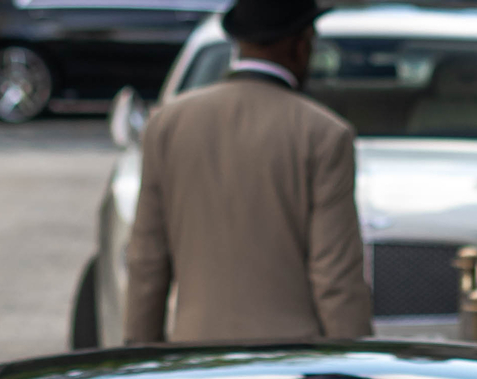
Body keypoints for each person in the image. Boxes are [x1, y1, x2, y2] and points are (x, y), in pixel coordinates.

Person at [120, 0, 370, 346]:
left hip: (194, 351)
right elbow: (336, 279)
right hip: (291, 361)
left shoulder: (167, 124)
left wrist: (140, 358)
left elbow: (146, 263)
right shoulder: (324, 133)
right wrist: (357, 374)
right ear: (301, 44)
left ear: (239, 42)